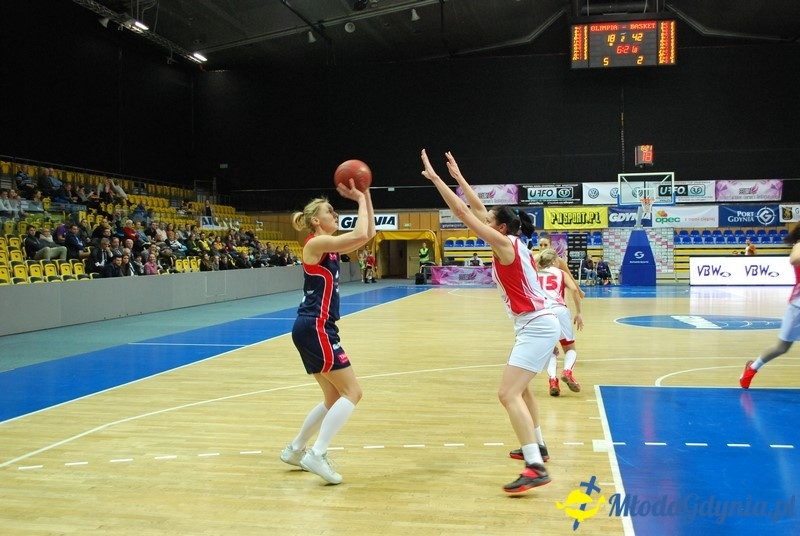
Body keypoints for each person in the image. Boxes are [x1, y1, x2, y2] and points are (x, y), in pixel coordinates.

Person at [421, 149, 558, 494]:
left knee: (507, 393)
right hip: (536, 323)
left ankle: (535, 466)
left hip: (536, 324)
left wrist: (437, 180)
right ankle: (538, 446)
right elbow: (477, 207)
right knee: (521, 389)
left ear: (499, 227)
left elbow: (462, 212)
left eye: (489, 219)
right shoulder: (514, 241)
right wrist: (459, 178)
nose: (484, 218)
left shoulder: (503, 245)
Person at [280, 177, 376, 485]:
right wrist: (359, 199)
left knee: (334, 395)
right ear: (314, 221)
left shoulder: (329, 247)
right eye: (329, 211)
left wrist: (366, 195)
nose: (335, 214)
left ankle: (296, 449)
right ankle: (317, 454)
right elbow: (360, 233)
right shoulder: (315, 244)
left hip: (312, 327)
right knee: (353, 392)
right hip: (316, 327)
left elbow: (368, 234)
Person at [740, 225, 800, 388]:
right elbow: (794, 260)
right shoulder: (799, 246)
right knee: (782, 347)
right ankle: (752, 368)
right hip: (797, 306)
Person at [535, 248, 584, 397]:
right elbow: (574, 290)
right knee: (569, 348)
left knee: (550, 350)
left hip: (541, 313)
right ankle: (567, 372)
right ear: (552, 261)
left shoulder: (535, 274)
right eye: (557, 261)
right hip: (559, 310)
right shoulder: (561, 273)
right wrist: (579, 312)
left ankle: (553, 380)